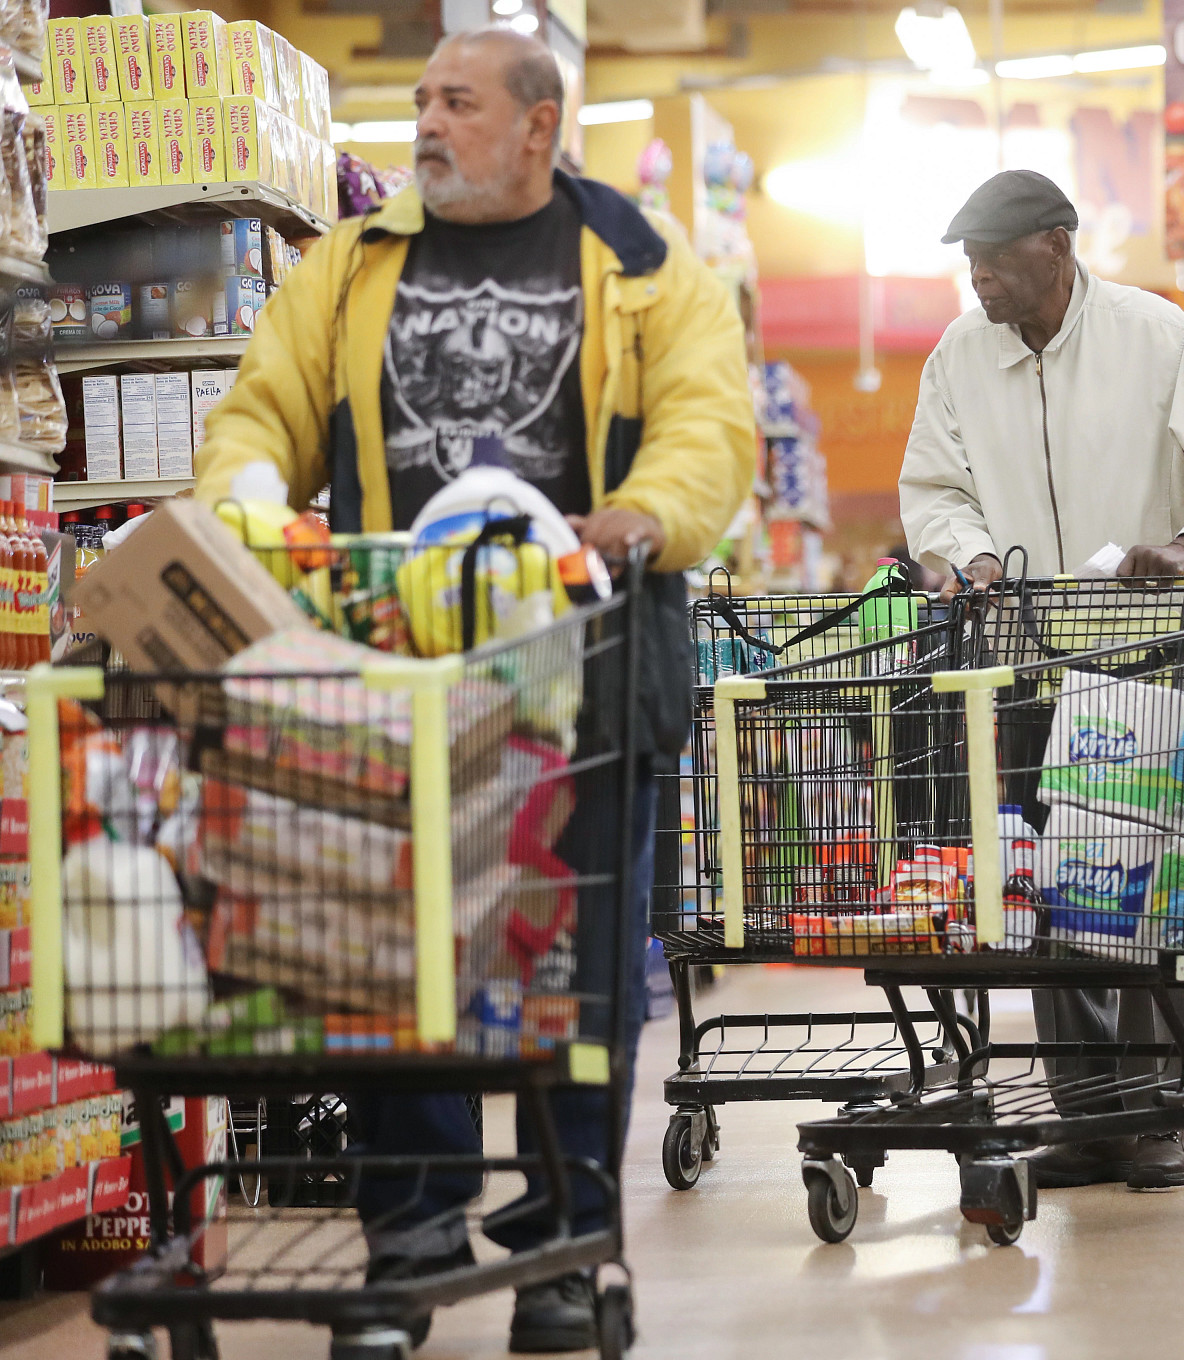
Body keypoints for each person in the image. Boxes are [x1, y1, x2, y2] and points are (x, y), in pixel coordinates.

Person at [193, 27, 754, 1351]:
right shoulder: (350, 263)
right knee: (391, 959)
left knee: (574, 971)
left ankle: (563, 1243)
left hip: (590, 673)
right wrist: (247, 502)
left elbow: (709, 422)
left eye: (458, 102)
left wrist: (643, 513)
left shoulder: (644, 259)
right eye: (421, 101)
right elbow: (261, 411)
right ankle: (414, 1227)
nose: (428, 124)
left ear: (539, 126)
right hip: (394, 675)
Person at [900, 169, 1184, 1189]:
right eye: (969, 262)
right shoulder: (959, 355)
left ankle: (1161, 1110)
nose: (979, 278)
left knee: (1139, 886)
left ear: (1056, 246)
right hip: (1028, 662)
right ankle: (1086, 1116)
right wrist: (972, 556)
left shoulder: (1151, 335)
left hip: (1148, 660)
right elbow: (933, 488)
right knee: (1048, 893)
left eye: (995, 258)